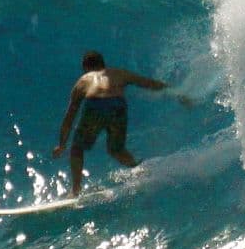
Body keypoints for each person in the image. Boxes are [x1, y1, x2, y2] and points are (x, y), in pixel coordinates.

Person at [51, 50, 183, 197]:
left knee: (76, 148)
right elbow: (149, 83)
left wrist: (62, 144)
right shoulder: (119, 73)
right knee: (116, 150)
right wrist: (177, 92)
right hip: (117, 105)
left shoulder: (83, 80)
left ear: (85, 68)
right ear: (103, 64)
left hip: (95, 104)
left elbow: (70, 116)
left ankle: (75, 190)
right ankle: (142, 172)